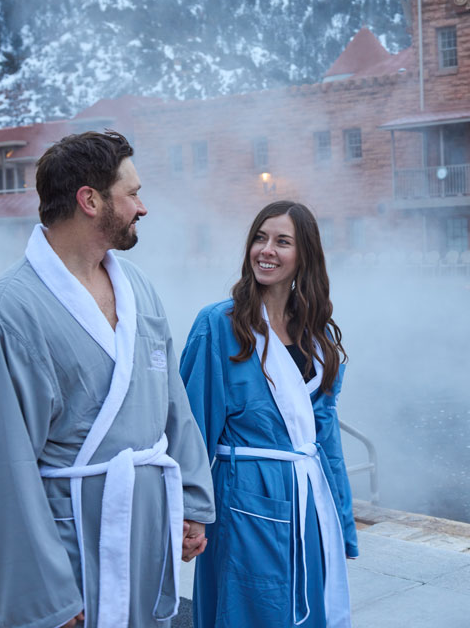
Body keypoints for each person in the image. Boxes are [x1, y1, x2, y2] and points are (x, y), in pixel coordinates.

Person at [0, 130, 215, 628]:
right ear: (90, 200)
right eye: (133, 193)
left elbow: (172, 404)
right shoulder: (6, 314)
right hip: (69, 540)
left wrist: (191, 502)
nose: (143, 207)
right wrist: (44, 595)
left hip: (144, 529)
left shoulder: (138, 287)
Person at [181, 200, 357, 628]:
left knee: (309, 608)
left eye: (282, 242)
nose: (266, 250)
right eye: (260, 238)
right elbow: (191, 429)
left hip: (308, 500)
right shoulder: (218, 324)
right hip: (243, 498)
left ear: (305, 256)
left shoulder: (316, 337)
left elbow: (325, 440)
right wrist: (191, 514)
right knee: (243, 610)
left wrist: (342, 520)